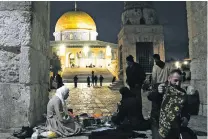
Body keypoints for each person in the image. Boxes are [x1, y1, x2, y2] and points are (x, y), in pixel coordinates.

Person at [147, 69, 190, 139]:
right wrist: (157, 92)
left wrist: (186, 118)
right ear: (169, 78)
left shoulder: (182, 93)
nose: (178, 83)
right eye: (175, 80)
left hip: (174, 124)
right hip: (157, 122)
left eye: (180, 81)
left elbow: (186, 109)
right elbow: (150, 97)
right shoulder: (160, 87)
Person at [125, 55, 146, 120]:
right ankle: (133, 116)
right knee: (133, 101)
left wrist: (139, 83)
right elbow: (128, 76)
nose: (127, 63)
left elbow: (143, 76)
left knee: (138, 101)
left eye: (127, 61)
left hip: (137, 87)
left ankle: (139, 116)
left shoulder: (138, 66)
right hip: (131, 87)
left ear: (130, 61)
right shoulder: (128, 68)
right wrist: (127, 81)